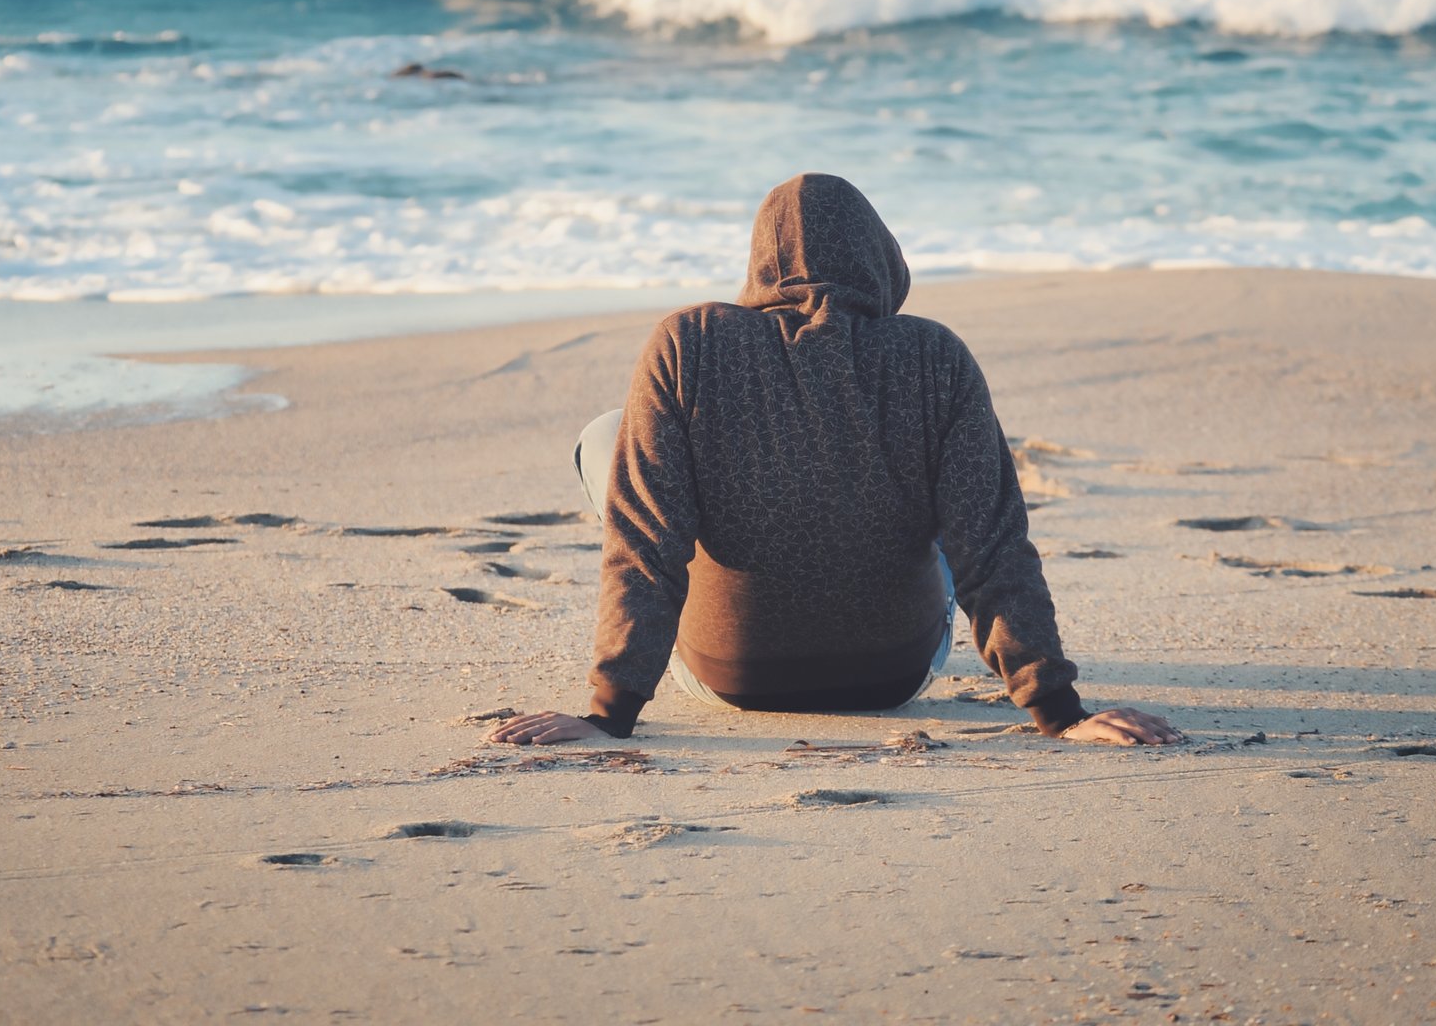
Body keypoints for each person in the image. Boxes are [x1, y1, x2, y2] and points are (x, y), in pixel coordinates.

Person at [485, 173, 1182, 749]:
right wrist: (1059, 712)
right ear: (881, 259)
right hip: (891, 673)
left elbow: (646, 541)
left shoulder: (688, 342)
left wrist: (610, 713)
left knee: (610, 436)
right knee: (951, 493)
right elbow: (991, 543)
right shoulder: (935, 355)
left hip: (734, 675)